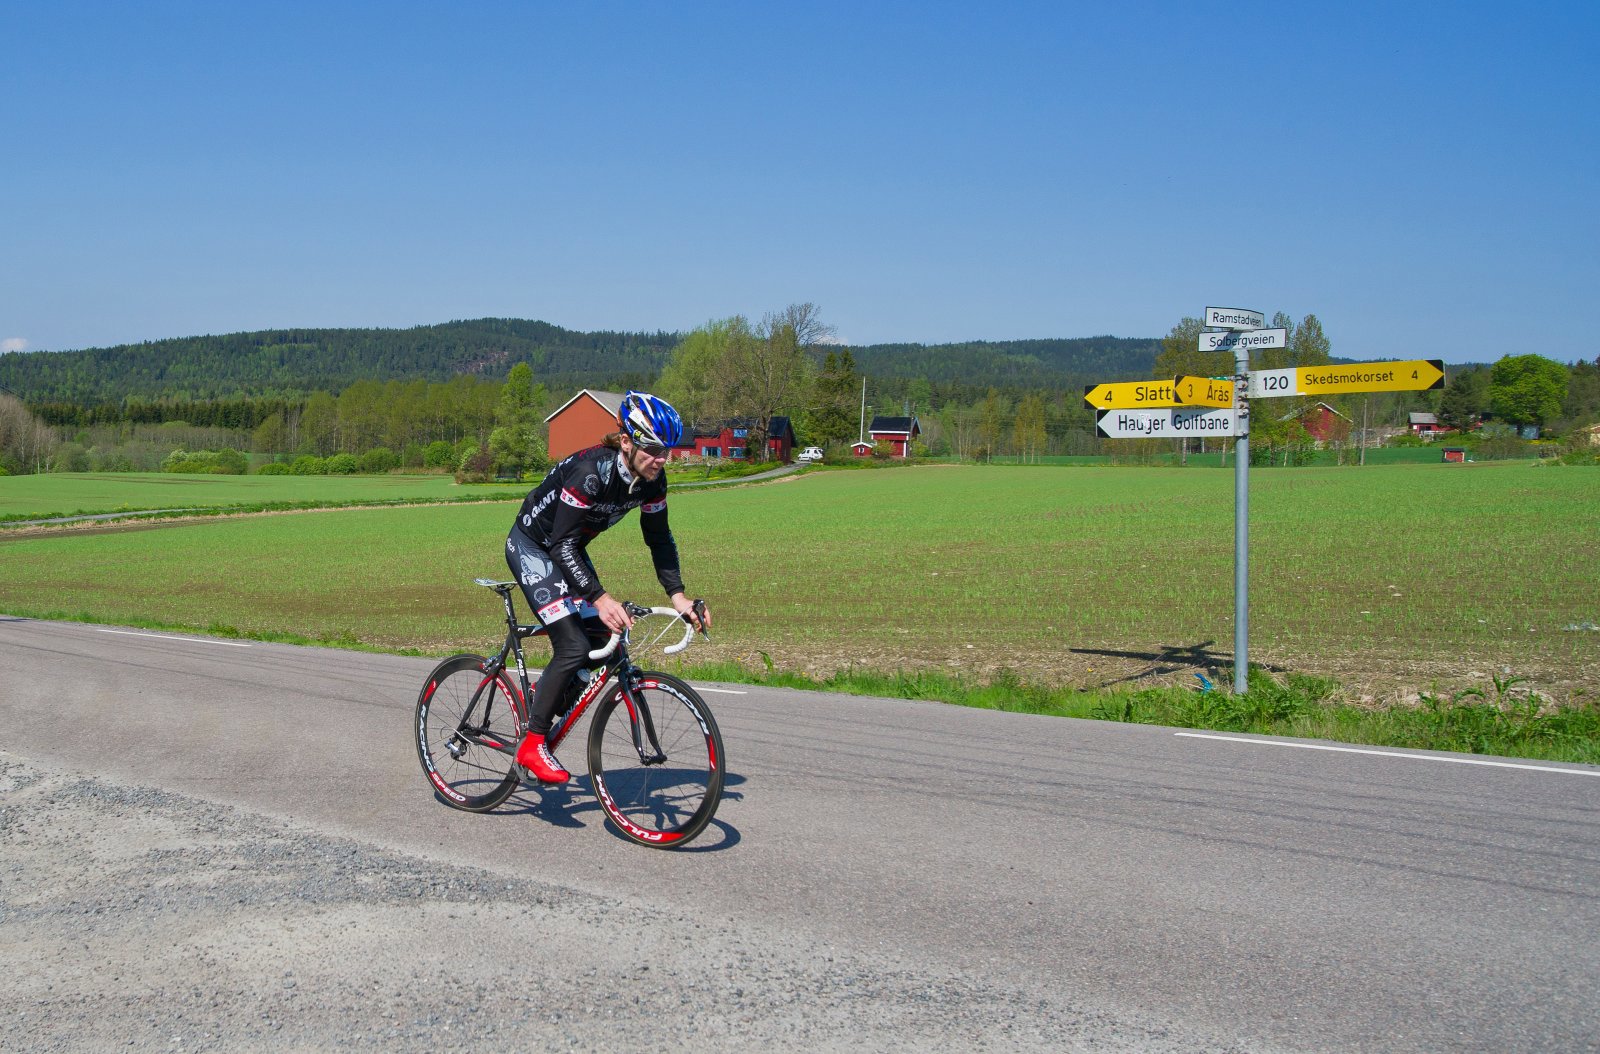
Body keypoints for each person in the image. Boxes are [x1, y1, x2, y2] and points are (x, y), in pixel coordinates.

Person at [505, 390, 710, 782]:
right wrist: (599, 597)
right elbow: (559, 544)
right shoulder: (591, 472)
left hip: (567, 550)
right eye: (653, 449)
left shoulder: (652, 480)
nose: (662, 459)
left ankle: (543, 706)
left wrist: (678, 595)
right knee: (574, 644)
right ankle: (533, 743)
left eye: (667, 450)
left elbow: (660, 538)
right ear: (628, 442)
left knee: (602, 640)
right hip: (534, 546)